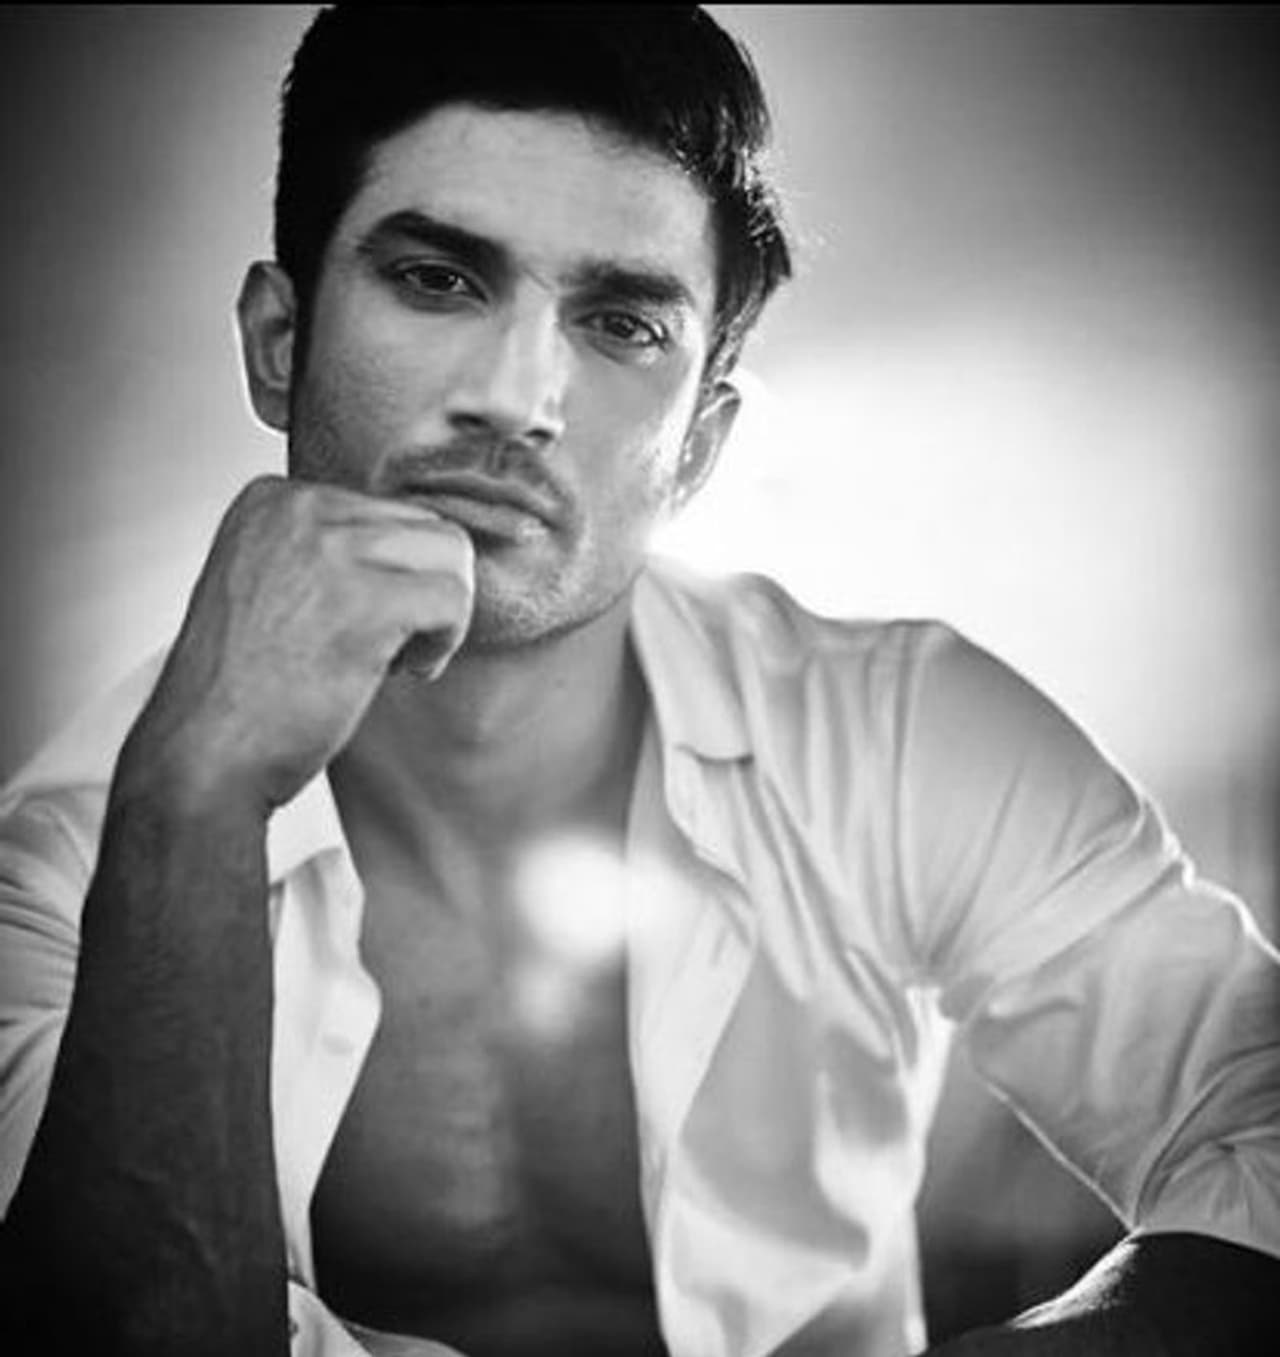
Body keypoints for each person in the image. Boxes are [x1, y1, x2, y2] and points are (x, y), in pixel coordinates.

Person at [0, 5, 1277, 1355]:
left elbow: (1255, 1107)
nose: (517, 398)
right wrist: (194, 795)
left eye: (619, 323)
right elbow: (122, 1333)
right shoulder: (68, 864)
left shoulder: (897, 734)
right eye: (437, 278)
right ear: (279, 339)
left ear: (701, 445)